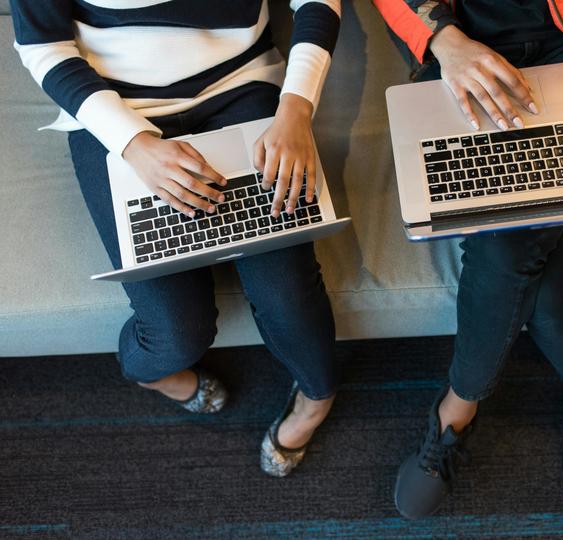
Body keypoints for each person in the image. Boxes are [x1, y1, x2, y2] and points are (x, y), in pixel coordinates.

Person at [10, 0, 342, 477]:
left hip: (241, 84)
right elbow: (43, 45)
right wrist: (133, 143)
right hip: (116, 104)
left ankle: (317, 399)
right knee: (174, 331)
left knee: (288, 292)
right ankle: (154, 377)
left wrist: (296, 109)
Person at [373, 0, 563, 518]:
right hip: (463, 53)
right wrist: (445, 40)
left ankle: (459, 409)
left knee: (508, 247)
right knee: (536, 260)